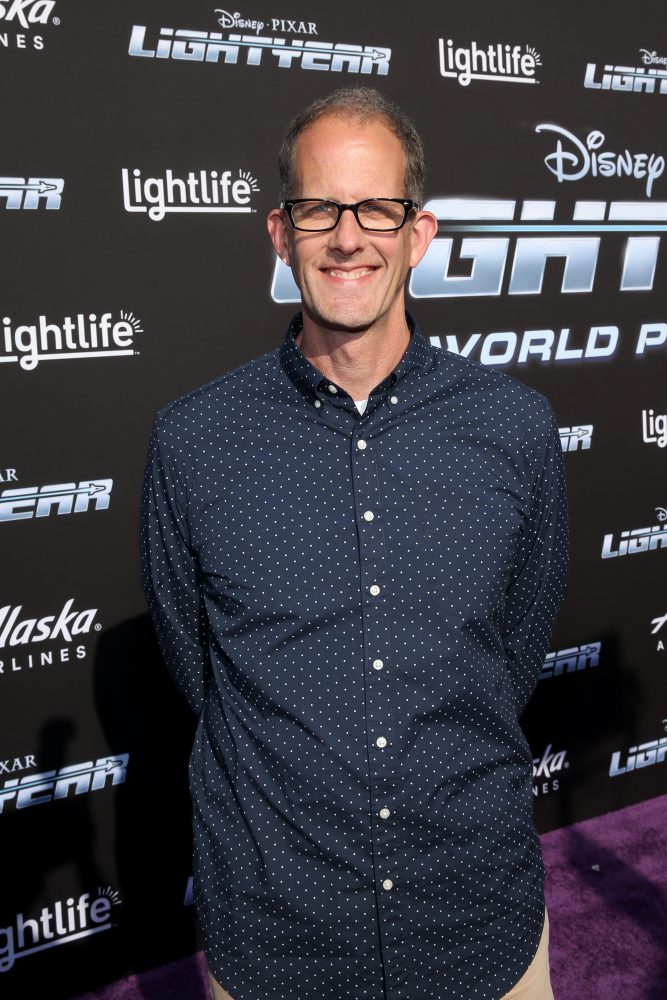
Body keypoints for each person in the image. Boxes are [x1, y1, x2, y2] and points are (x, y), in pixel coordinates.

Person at [141, 87, 568, 1000]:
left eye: (377, 209)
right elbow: (198, 666)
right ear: (279, 232)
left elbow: (514, 652)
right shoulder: (193, 440)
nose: (346, 238)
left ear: (418, 234)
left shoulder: (514, 427)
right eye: (317, 209)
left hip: (476, 915)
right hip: (278, 930)